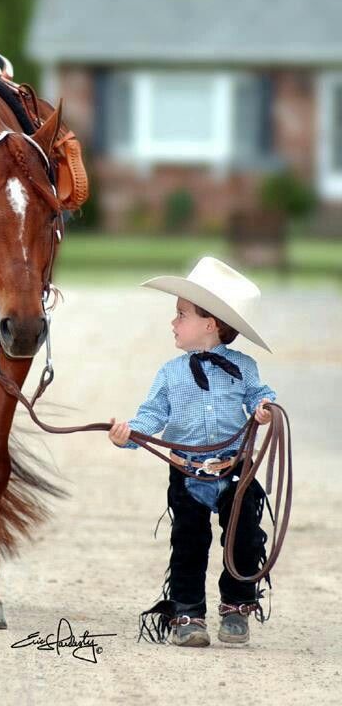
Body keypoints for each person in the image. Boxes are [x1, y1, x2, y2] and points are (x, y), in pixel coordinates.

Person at [108, 257, 276, 647]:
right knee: (188, 541)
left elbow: (259, 395)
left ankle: (236, 606)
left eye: (181, 314)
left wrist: (264, 409)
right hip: (186, 471)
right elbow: (152, 416)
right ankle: (188, 613)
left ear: (210, 324)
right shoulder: (170, 373)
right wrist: (129, 434)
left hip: (235, 468)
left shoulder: (245, 367)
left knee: (244, 536)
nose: (173, 322)